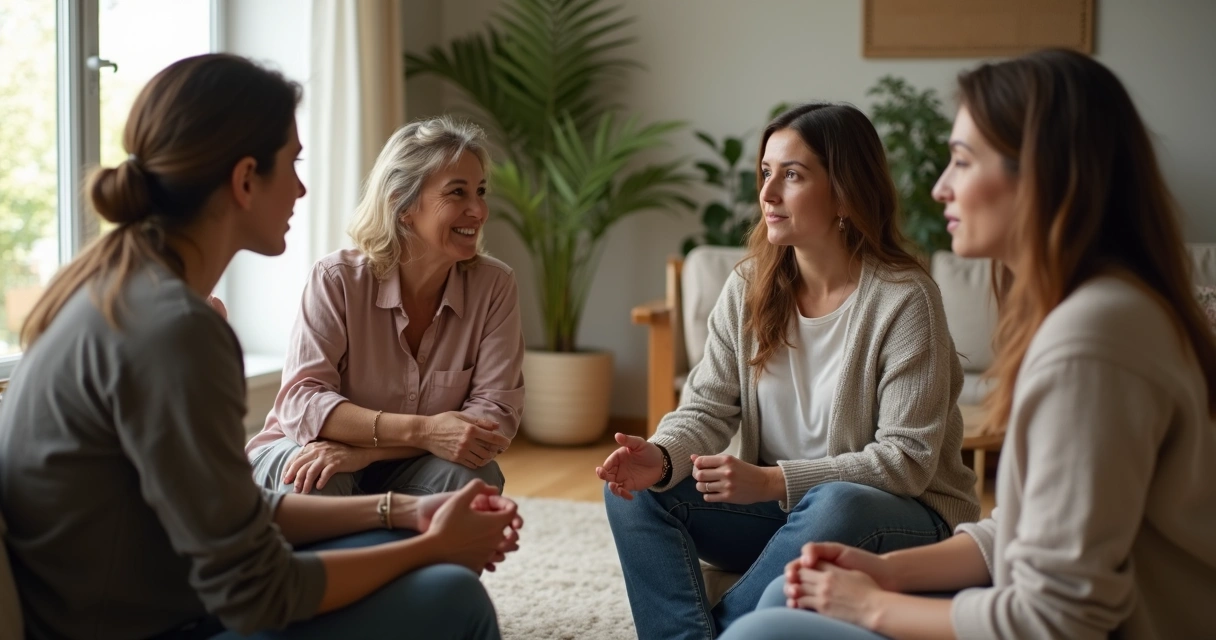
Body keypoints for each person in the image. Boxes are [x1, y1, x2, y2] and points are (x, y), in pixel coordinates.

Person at [0, 54, 521, 640]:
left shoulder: (115, 289)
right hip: (156, 624)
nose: (302, 187)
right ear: (246, 179)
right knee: (453, 595)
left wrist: (406, 512)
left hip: (150, 598)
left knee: (414, 554)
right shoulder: (178, 331)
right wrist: (427, 549)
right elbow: (261, 592)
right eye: (293, 163)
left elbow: (236, 521)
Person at [722, 49, 1216, 640]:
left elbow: (1061, 618)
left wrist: (872, 605)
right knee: (786, 595)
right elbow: (1023, 529)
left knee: (765, 631)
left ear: (1042, 173)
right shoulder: (1095, 311)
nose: (939, 188)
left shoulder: (1093, 341)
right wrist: (883, 568)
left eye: (961, 161)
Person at [596, 102, 980, 639]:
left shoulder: (905, 300)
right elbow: (707, 407)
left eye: (792, 175)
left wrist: (773, 480)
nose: (768, 193)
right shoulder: (748, 287)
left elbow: (906, 462)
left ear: (844, 192)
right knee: (634, 491)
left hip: (903, 520)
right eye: (765, 173)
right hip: (782, 517)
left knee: (837, 500)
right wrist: (659, 458)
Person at [245, 116, 525, 498]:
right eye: (457, 193)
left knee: (474, 480)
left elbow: (493, 420)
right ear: (402, 204)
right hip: (301, 445)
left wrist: (365, 454)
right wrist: (425, 431)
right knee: (318, 475)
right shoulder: (337, 278)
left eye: (480, 191)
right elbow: (303, 400)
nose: (478, 210)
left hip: (405, 460)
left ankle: (420, 559)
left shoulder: (494, 285)